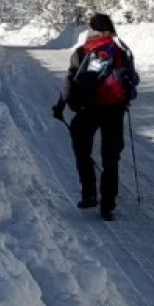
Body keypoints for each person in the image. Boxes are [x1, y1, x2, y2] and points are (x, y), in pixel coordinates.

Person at [51, 12, 134, 220]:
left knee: (82, 149)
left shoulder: (82, 52)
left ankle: (89, 193)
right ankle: (108, 206)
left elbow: (70, 82)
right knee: (111, 158)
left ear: (93, 30)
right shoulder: (122, 51)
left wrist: (61, 106)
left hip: (89, 110)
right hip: (115, 110)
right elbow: (133, 79)